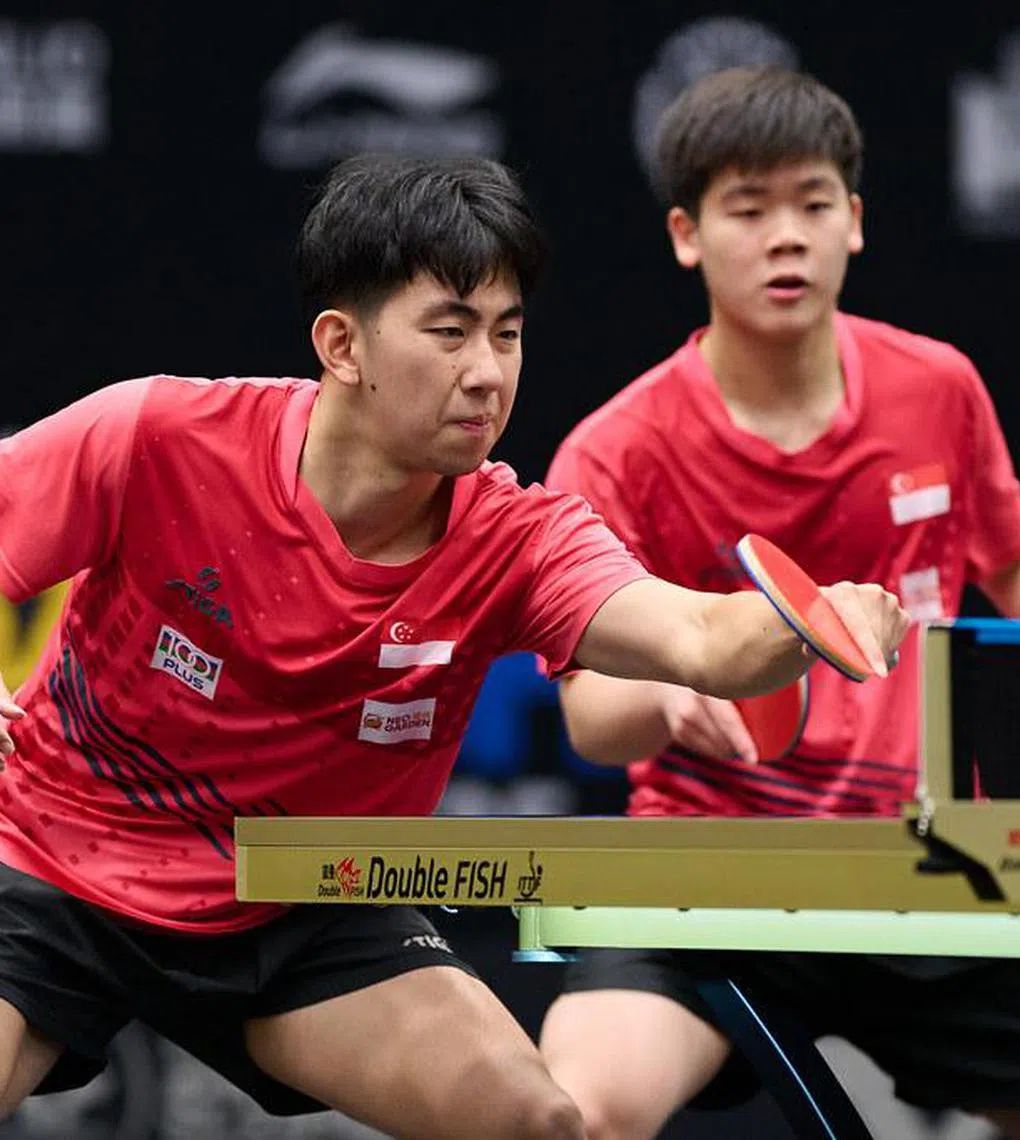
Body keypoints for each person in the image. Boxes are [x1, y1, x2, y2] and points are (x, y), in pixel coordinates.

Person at [0, 154, 905, 1140]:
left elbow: (698, 636)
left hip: (304, 898)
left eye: (508, 335)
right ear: (342, 345)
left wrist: (817, 622)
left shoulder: (517, 541)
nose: (488, 371)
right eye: (450, 331)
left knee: (540, 1126)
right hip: (57, 857)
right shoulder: (158, 439)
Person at [537, 66, 1020, 1140]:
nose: (786, 237)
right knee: (575, 1116)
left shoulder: (937, 389)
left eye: (813, 204)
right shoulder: (616, 452)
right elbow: (589, 711)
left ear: (854, 223)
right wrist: (675, 700)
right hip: (707, 874)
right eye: (748, 209)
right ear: (687, 234)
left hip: (926, 864)